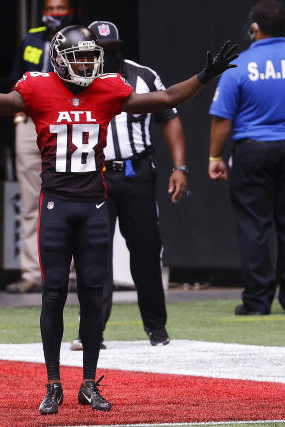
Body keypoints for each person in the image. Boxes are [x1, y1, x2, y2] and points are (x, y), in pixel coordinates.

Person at [0, 25, 237, 415]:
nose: (86, 63)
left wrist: (205, 76)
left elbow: (167, 98)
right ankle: (53, 383)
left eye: (91, 56)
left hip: (93, 205)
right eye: (79, 57)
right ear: (58, 58)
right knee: (53, 293)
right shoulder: (37, 87)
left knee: (91, 292)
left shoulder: (108, 88)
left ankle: (88, 382)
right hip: (57, 203)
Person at [69, 21, 189, 351]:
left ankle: (156, 327)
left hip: (137, 173)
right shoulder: (75, 76)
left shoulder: (143, 75)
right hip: (94, 176)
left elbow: (170, 116)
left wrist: (179, 167)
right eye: (101, 50)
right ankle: (90, 331)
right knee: (93, 254)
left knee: (147, 252)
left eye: (112, 49)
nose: (107, 56)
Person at [207, 0, 285, 315]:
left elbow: (222, 118)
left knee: (254, 225)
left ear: (254, 28)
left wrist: (215, 156)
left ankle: (258, 301)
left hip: (252, 150)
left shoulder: (240, 65)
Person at [5, 0, 76, 294]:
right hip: (31, 121)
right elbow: (15, 78)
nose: (55, 13)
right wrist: (19, 113)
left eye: (61, 8)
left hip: (64, 120)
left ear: (71, 10)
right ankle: (32, 273)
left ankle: (70, 274)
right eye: (51, 7)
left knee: (70, 196)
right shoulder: (32, 38)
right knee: (32, 199)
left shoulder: (79, 37)